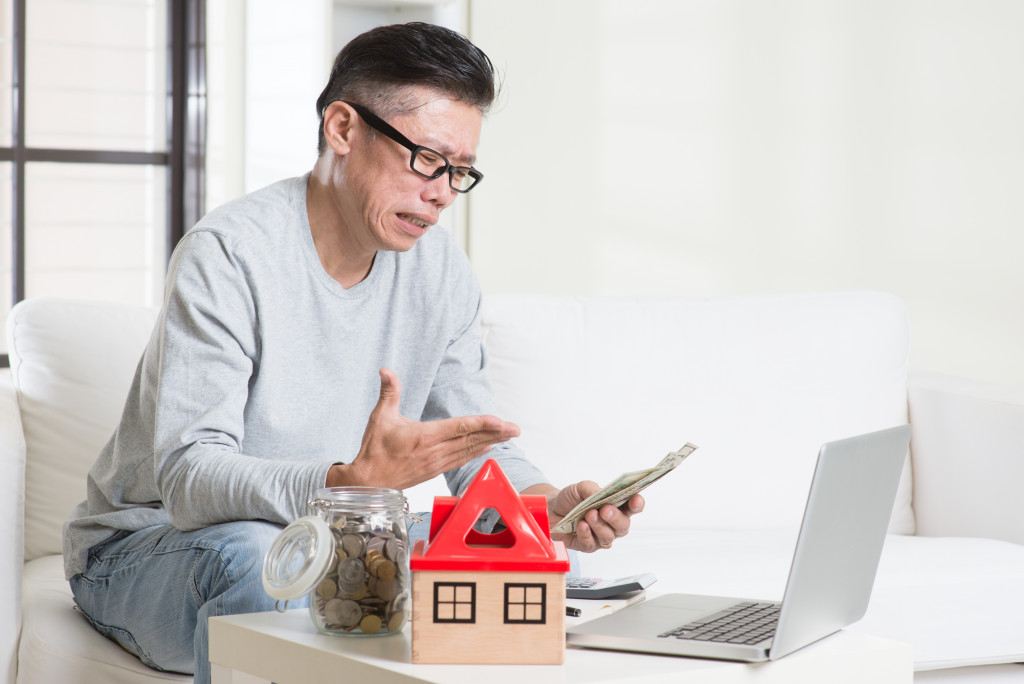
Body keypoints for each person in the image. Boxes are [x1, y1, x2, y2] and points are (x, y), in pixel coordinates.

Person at [63, 22, 644, 684]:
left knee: (502, 555)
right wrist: (347, 485)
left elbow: (477, 449)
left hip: (334, 531)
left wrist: (548, 509)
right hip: (154, 549)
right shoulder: (229, 254)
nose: (442, 192)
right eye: (427, 159)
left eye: (460, 171)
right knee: (262, 557)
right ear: (343, 129)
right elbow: (191, 479)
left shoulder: (439, 271)